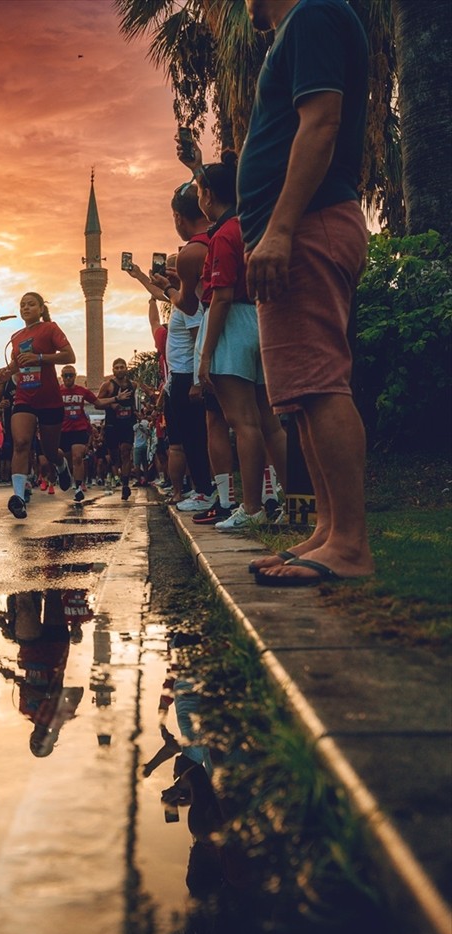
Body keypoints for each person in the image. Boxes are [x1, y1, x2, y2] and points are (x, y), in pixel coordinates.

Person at [232, 0, 373, 584]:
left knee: (319, 384)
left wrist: (282, 228)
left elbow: (322, 121)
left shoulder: (314, 13)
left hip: (307, 224)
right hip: (294, 229)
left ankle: (350, 545)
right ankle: (327, 530)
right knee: (300, 395)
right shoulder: (298, 26)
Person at [193, 154, 286, 532]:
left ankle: (250, 507)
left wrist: (205, 355)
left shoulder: (224, 235)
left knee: (242, 423)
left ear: (209, 196)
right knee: (269, 423)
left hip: (234, 325)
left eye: (199, 190)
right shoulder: (253, 225)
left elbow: (222, 296)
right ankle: (289, 500)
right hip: (262, 320)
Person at [145, 182, 215, 505]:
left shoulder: (195, 252)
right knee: (189, 436)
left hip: (188, 373)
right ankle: (204, 490)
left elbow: (195, 323)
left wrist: (199, 371)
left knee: (195, 437)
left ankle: (205, 491)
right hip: (181, 375)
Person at [4, 292, 75, 519]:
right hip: (24, 396)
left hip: (49, 398)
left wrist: (41, 358)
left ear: (41, 308)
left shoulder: (50, 328)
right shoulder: (16, 336)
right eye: (22, 304)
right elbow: (17, 364)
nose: (26, 308)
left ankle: (62, 465)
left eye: (31, 304)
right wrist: (5, 372)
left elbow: (69, 356)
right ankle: (19, 498)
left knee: (49, 452)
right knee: (22, 442)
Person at [95, 358, 150, 502]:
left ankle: (125, 485)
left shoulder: (133, 385)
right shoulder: (107, 385)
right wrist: (113, 402)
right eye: (117, 367)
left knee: (126, 452)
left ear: (126, 368)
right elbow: (97, 403)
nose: (119, 370)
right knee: (115, 456)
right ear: (113, 370)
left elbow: (139, 399)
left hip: (127, 424)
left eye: (122, 367)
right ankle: (118, 472)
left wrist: (137, 411)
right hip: (112, 425)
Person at [58, 366, 98, 503]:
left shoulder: (82, 391)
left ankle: (78, 488)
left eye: (70, 375)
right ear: (61, 377)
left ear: (75, 376)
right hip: (63, 431)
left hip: (79, 429)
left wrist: (116, 399)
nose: (68, 378)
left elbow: (98, 402)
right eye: (65, 376)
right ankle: (65, 471)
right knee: (69, 460)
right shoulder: (57, 392)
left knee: (77, 458)